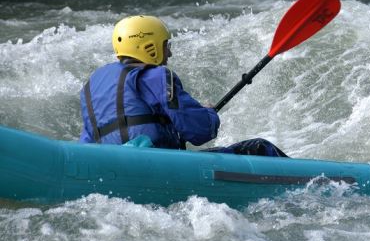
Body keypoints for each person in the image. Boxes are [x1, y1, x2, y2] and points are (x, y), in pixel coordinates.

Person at [79, 15, 287, 157]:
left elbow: (86, 145)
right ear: (148, 47)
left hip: (111, 170)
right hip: (158, 166)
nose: (169, 53)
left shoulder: (91, 87)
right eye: (166, 45)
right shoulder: (156, 75)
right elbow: (200, 131)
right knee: (260, 148)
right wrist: (208, 114)